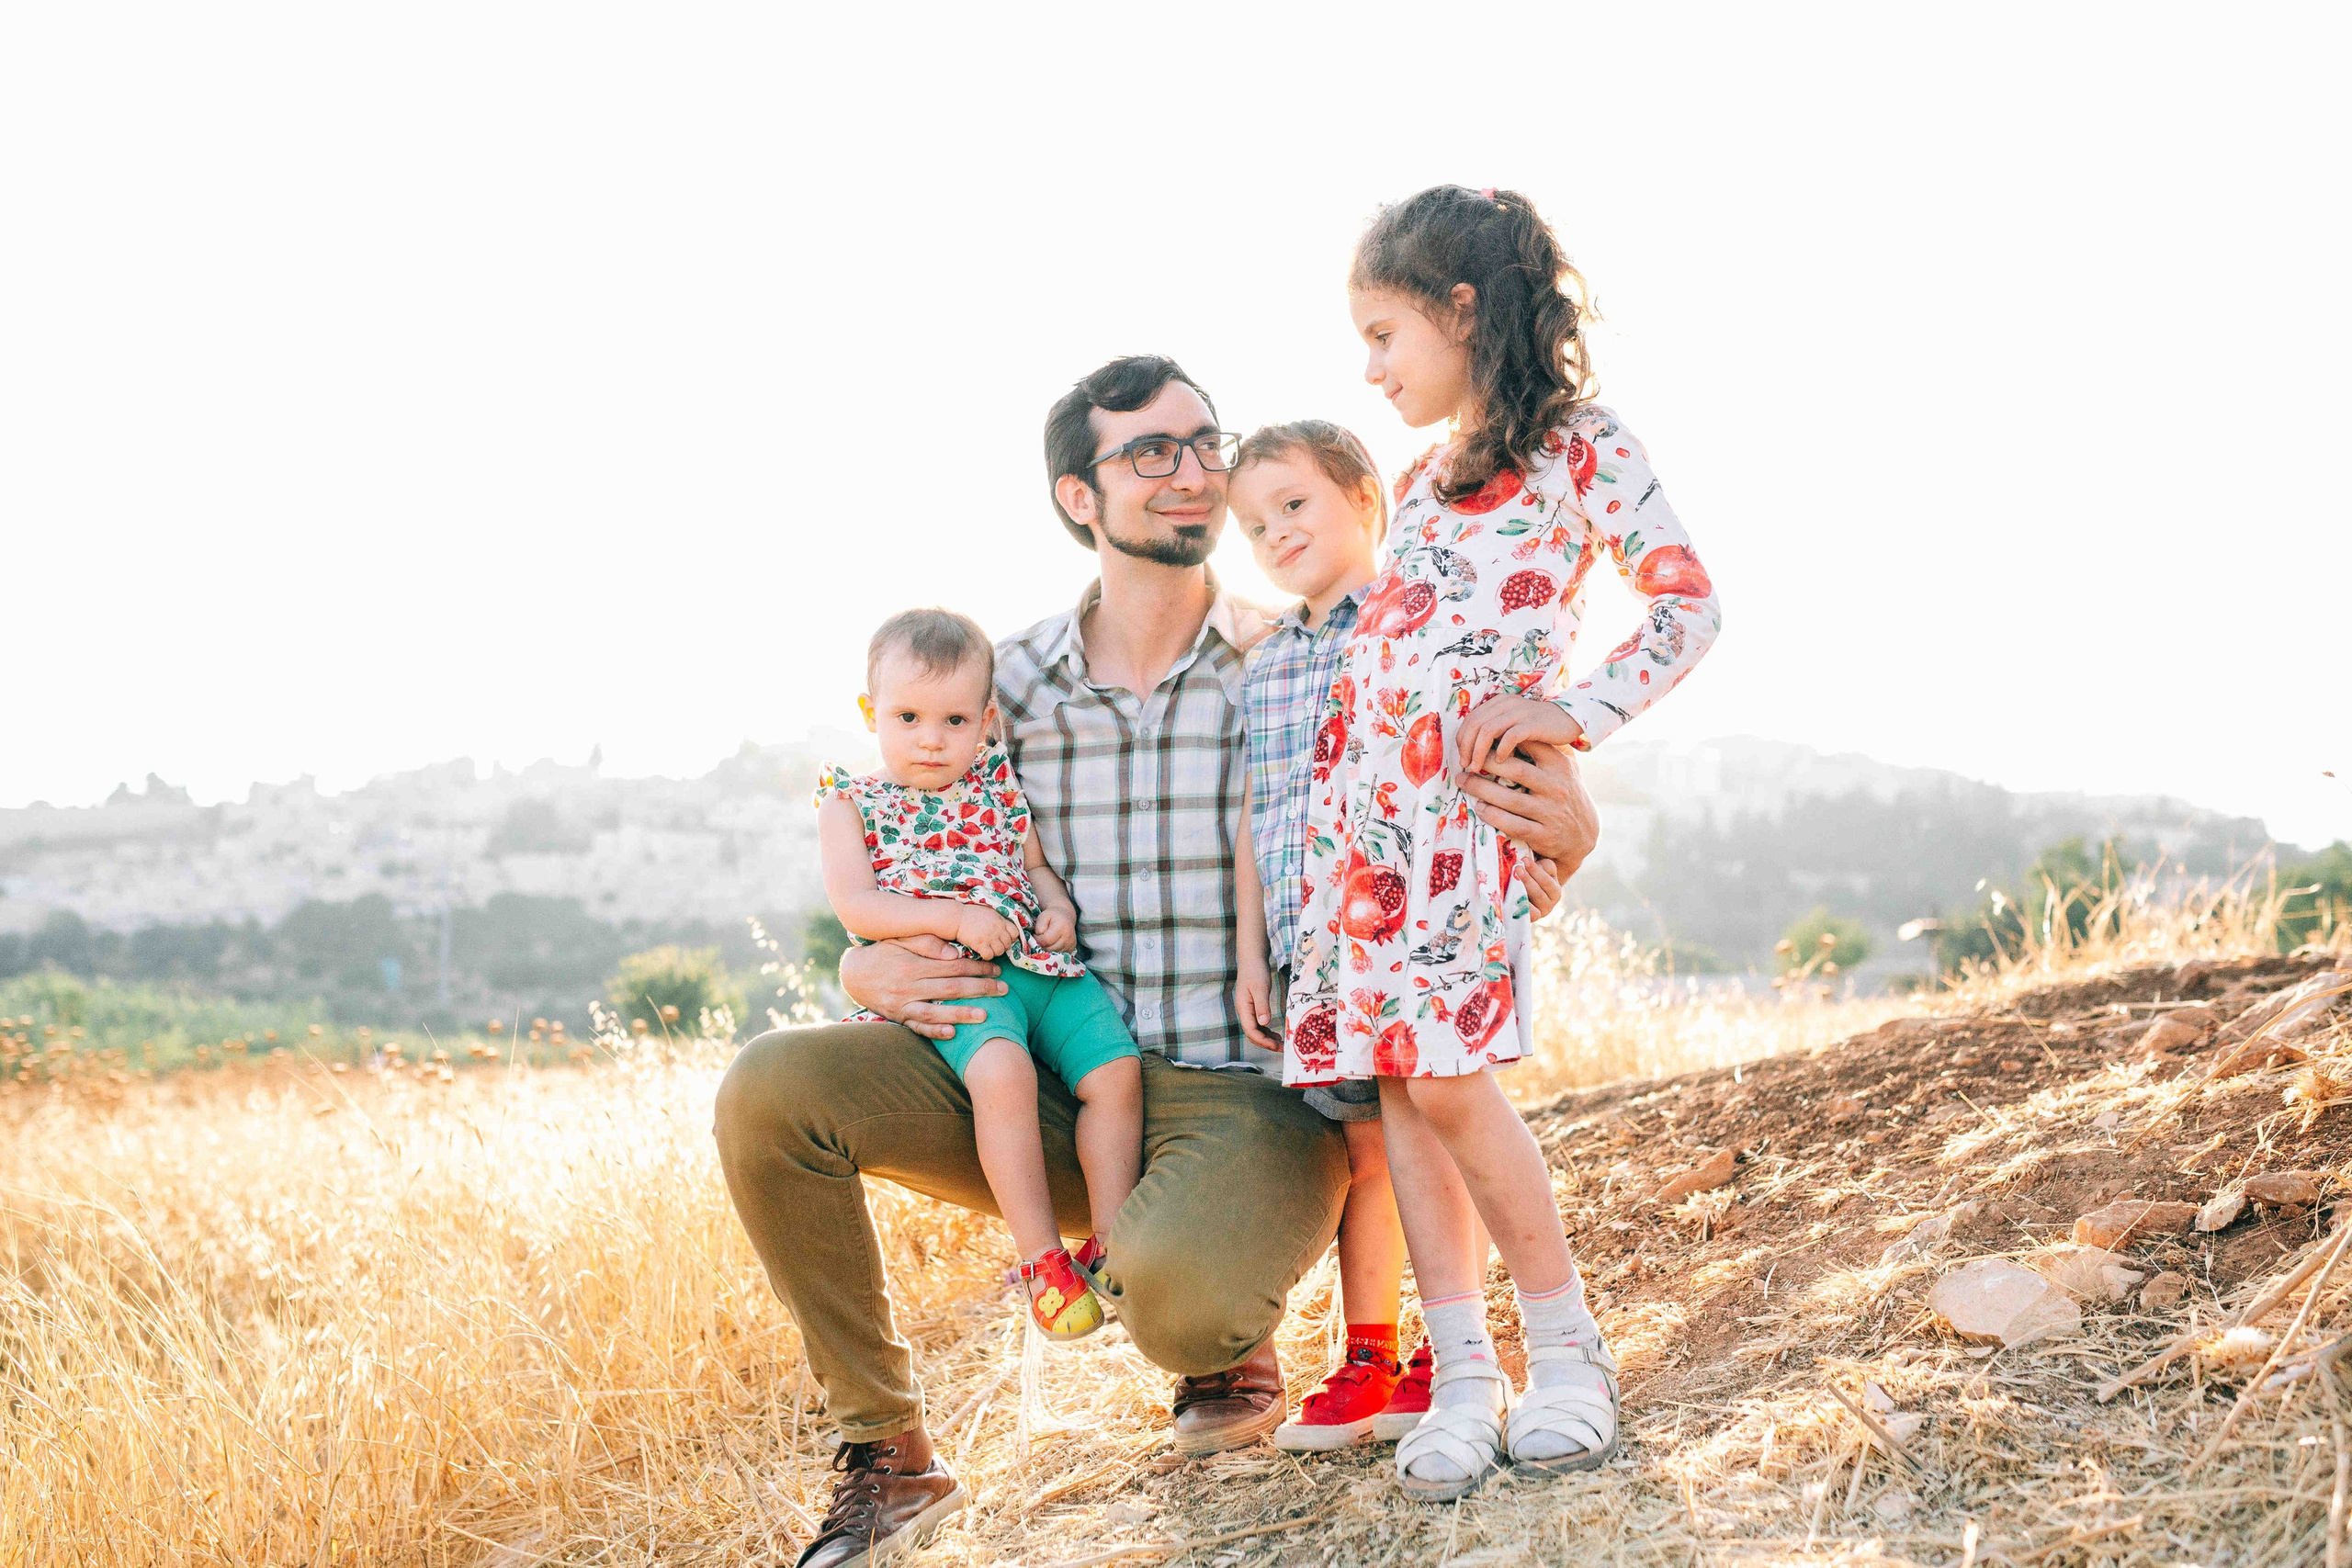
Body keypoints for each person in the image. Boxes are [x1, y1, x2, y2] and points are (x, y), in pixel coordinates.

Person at [713, 354, 1604, 1568]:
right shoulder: (998, 681)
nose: (1194, 472)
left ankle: (1220, 1315)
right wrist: (869, 965)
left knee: (1180, 1295)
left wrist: (1566, 816)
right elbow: (885, 818)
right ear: (1081, 496)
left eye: (1205, 444)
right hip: (1026, 1058)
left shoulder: (1293, 655)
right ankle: (889, 1455)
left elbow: (1456, 737)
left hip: (1236, 1091)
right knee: (771, 1087)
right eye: (1152, 452)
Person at [1285, 186, 1722, 1501]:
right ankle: (1465, 1372)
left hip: (1463, 823)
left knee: (1458, 1081)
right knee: (1404, 1088)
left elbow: (1686, 608)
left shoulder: (1585, 445)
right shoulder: (1418, 479)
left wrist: (1569, 712)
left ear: (1460, 309)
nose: (1368, 368)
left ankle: (1569, 1352)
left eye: (1383, 334)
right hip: (1367, 830)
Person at [1227, 420, 1496, 1452]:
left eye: (1294, 504)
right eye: (1254, 525)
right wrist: (1257, 956)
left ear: (1363, 498)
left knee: (1432, 1121)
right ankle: (1370, 1353)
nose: (1275, 532)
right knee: (1362, 1147)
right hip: (1310, 946)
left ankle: (1451, 1342)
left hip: (1405, 927)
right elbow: (1257, 819)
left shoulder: (1405, 626)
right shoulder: (1265, 666)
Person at [815, 606, 1141, 1341]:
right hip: (960, 977)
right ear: (872, 713)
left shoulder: (997, 781)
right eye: (908, 716)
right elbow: (857, 903)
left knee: (1116, 1071)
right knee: (1002, 1075)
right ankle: (1041, 1259)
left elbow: (1034, 867)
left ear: (986, 720)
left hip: (1040, 961)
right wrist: (955, 917)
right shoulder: (851, 802)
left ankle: (1117, 1244)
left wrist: (1057, 909)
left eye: (954, 720)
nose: (932, 738)